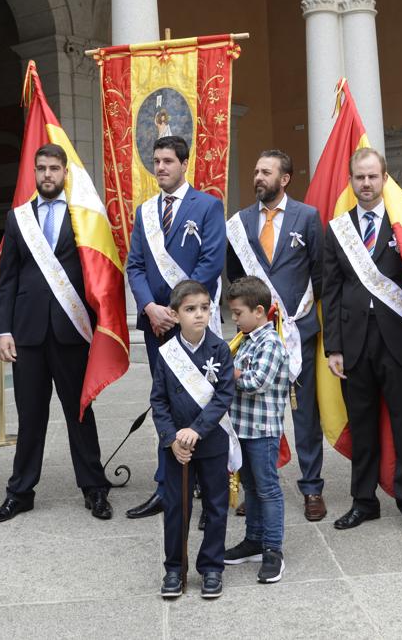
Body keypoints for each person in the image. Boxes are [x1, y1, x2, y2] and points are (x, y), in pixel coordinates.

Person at [0, 145, 113, 525]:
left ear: (64, 173)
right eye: (41, 168)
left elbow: (98, 274)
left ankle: (94, 488)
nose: (46, 175)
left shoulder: (84, 217)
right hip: (26, 333)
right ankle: (20, 492)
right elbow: (7, 278)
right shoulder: (17, 219)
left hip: (70, 330)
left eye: (53, 168)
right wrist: (3, 330)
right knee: (30, 416)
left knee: (79, 413)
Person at [322, 148, 402, 541]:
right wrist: (333, 347)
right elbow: (330, 293)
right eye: (359, 178)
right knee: (363, 425)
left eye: (372, 177)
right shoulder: (338, 230)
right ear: (351, 182)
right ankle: (363, 501)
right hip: (353, 344)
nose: (365, 184)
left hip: (398, 339)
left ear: (385, 179)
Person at [125, 136, 225, 520]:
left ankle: (205, 483)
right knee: (165, 402)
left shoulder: (207, 206)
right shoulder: (145, 212)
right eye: (156, 161)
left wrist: (175, 310)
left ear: (184, 163)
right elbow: (134, 266)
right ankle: (168, 486)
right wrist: (151, 307)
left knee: (201, 399)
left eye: (168, 161)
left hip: (193, 325)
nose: (160, 167)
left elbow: (210, 262)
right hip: (156, 325)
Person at [225, 150, 326, 521]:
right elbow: (234, 277)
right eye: (255, 171)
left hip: (298, 333)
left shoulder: (308, 218)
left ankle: (312, 488)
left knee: (304, 415)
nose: (257, 177)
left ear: (284, 179)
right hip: (257, 337)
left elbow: (320, 275)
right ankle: (255, 489)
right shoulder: (239, 222)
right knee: (256, 415)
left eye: (265, 172)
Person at [151, 280, 235, 600]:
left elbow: (223, 395)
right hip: (176, 449)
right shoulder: (166, 353)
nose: (199, 315)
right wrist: (172, 438)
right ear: (175, 314)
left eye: (204, 308)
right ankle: (175, 567)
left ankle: (212, 566)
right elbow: (158, 401)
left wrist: (196, 430)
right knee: (176, 507)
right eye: (190, 309)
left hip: (211, 443)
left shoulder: (220, 349)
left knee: (215, 505)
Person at [222, 276, 290, 584]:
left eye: (238, 313)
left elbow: (255, 382)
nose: (234, 319)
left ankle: (273, 549)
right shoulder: (247, 339)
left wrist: (228, 371)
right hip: (243, 429)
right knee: (251, 487)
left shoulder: (271, 342)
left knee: (267, 489)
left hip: (262, 431)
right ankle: (253, 540)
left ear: (259, 311)